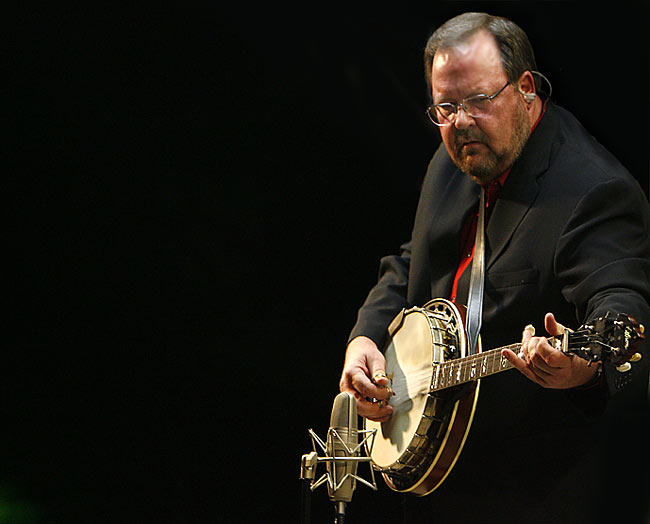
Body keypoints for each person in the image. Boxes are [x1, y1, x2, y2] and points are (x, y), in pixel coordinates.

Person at [339, 12, 650, 524]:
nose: (460, 122)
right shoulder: (454, 160)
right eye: (445, 107)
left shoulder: (593, 190)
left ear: (525, 88)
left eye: (479, 100)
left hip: (535, 490)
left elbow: (622, 305)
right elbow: (414, 258)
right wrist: (365, 339)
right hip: (438, 480)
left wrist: (582, 369)